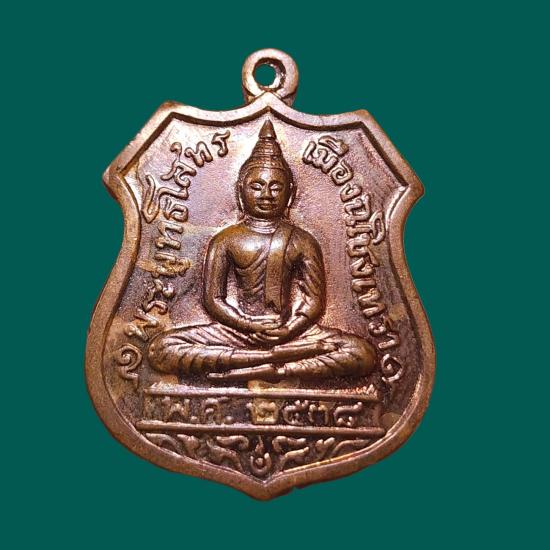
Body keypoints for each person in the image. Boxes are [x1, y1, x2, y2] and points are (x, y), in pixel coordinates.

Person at [148, 120, 376, 381]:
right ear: (240, 190)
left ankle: (273, 367)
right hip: (235, 333)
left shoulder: (302, 241)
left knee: (362, 354)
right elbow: (213, 300)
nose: (266, 194)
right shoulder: (225, 240)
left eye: (276, 187)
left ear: (290, 194)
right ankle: (265, 361)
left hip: (291, 334)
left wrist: (290, 328)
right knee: (161, 349)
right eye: (256, 186)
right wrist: (246, 324)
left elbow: (313, 302)